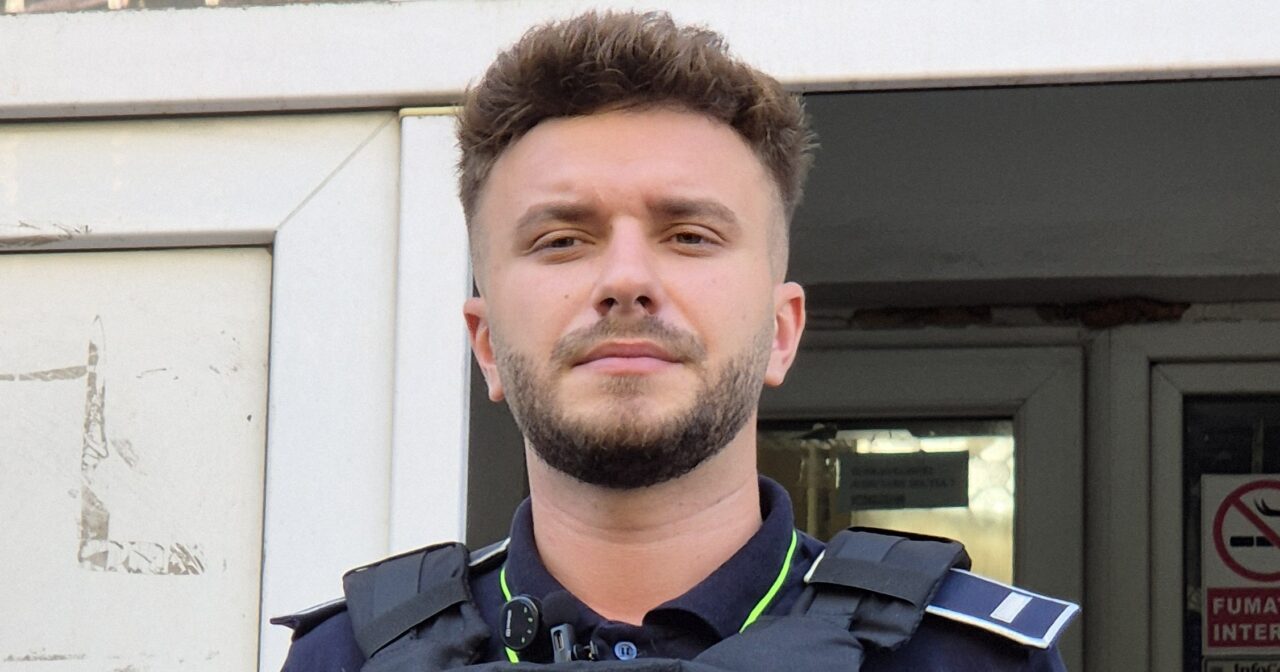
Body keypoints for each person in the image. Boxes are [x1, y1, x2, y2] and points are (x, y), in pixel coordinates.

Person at [275, 10, 1076, 671]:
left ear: (781, 333)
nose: (626, 279)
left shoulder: (962, 658)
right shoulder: (345, 659)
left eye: (689, 236)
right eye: (562, 240)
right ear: (486, 346)